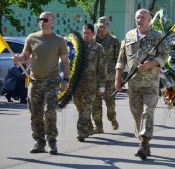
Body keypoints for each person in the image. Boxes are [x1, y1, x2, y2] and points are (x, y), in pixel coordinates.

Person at [13, 11, 70, 155]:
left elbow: (64, 61)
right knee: (35, 114)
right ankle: (39, 142)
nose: (42, 22)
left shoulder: (59, 40)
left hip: (52, 80)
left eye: (45, 20)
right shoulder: (31, 38)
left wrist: (66, 80)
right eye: (40, 19)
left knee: (49, 110)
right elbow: (25, 57)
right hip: (34, 81)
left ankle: (52, 141)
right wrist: (19, 58)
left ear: (52, 22)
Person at [115, 9, 168, 160]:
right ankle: (144, 143)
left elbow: (165, 56)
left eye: (143, 17)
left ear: (149, 20)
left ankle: (143, 143)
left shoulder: (157, 36)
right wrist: (117, 79)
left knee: (147, 112)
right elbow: (121, 59)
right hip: (133, 84)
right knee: (137, 115)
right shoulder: (129, 35)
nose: (140, 19)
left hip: (151, 83)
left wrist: (150, 64)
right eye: (138, 17)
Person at [73, 24, 107, 142]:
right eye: (84, 33)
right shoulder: (78, 47)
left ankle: (81, 131)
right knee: (79, 106)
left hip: (91, 84)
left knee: (87, 107)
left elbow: (102, 68)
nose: (85, 35)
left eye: (87, 33)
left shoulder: (98, 48)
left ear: (93, 34)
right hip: (77, 84)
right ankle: (88, 127)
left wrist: (102, 85)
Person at [92, 16, 120, 133]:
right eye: (99, 27)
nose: (101, 29)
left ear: (108, 27)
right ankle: (98, 126)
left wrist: (120, 77)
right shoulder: (93, 41)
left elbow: (119, 59)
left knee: (110, 102)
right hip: (96, 78)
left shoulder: (114, 41)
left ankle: (112, 118)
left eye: (103, 27)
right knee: (95, 103)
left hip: (109, 78)